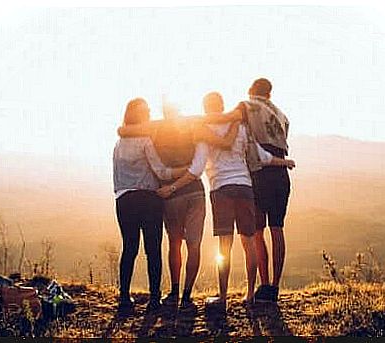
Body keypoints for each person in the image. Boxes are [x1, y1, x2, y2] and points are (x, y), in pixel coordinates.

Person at [117, 100, 240, 310]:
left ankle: (165, 294)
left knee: (160, 245)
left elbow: (159, 169)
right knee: (185, 246)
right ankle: (182, 296)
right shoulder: (191, 126)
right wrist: (189, 172)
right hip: (188, 191)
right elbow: (186, 166)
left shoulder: (147, 134)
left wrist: (171, 184)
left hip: (152, 196)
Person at [202, 92, 295, 308]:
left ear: (205, 108)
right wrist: (284, 162)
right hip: (244, 186)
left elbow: (198, 163)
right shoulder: (245, 127)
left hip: (222, 188)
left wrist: (179, 181)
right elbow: (261, 156)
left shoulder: (204, 128)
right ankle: (251, 294)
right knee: (250, 240)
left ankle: (223, 297)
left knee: (225, 243)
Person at [112, 98, 187, 313]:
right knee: (153, 249)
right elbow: (161, 172)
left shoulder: (118, 144)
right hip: (148, 199)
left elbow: (117, 178)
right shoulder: (146, 141)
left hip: (124, 200)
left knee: (129, 248)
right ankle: (155, 299)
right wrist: (186, 170)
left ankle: (124, 298)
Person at [237, 78, 295, 302]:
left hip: (260, 172)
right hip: (281, 174)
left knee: (258, 231)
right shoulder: (282, 115)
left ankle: (263, 283)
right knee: (277, 229)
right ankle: (275, 286)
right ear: (270, 93)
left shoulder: (247, 106)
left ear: (251, 90)